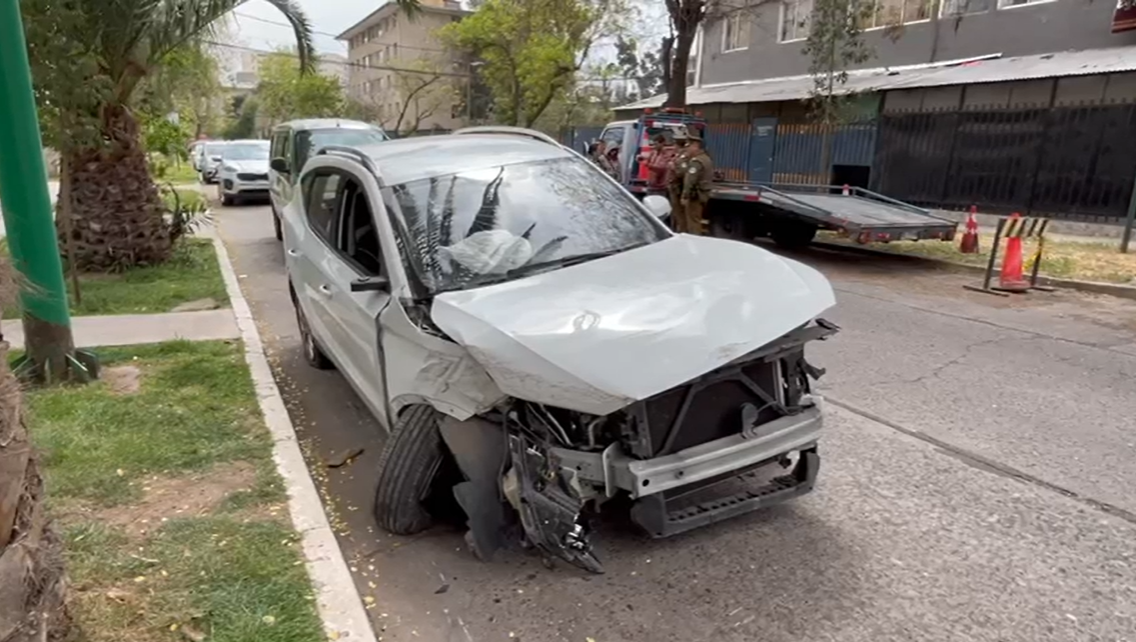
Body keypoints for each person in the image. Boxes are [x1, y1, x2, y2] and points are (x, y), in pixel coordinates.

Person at [680, 131, 714, 236]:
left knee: (693, 221)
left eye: (689, 146)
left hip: (695, 196)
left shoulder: (696, 161)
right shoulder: (706, 159)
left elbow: (690, 180)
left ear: (696, 146)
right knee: (696, 219)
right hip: (703, 194)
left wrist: (685, 196)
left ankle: (694, 241)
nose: (687, 149)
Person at [666, 129, 691, 232]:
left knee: (680, 214)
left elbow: (682, 172)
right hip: (673, 188)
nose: (673, 147)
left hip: (678, 189)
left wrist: (673, 167)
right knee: (676, 213)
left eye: (675, 144)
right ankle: (677, 229)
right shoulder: (678, 156)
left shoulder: (684, 156)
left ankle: (683, 231)